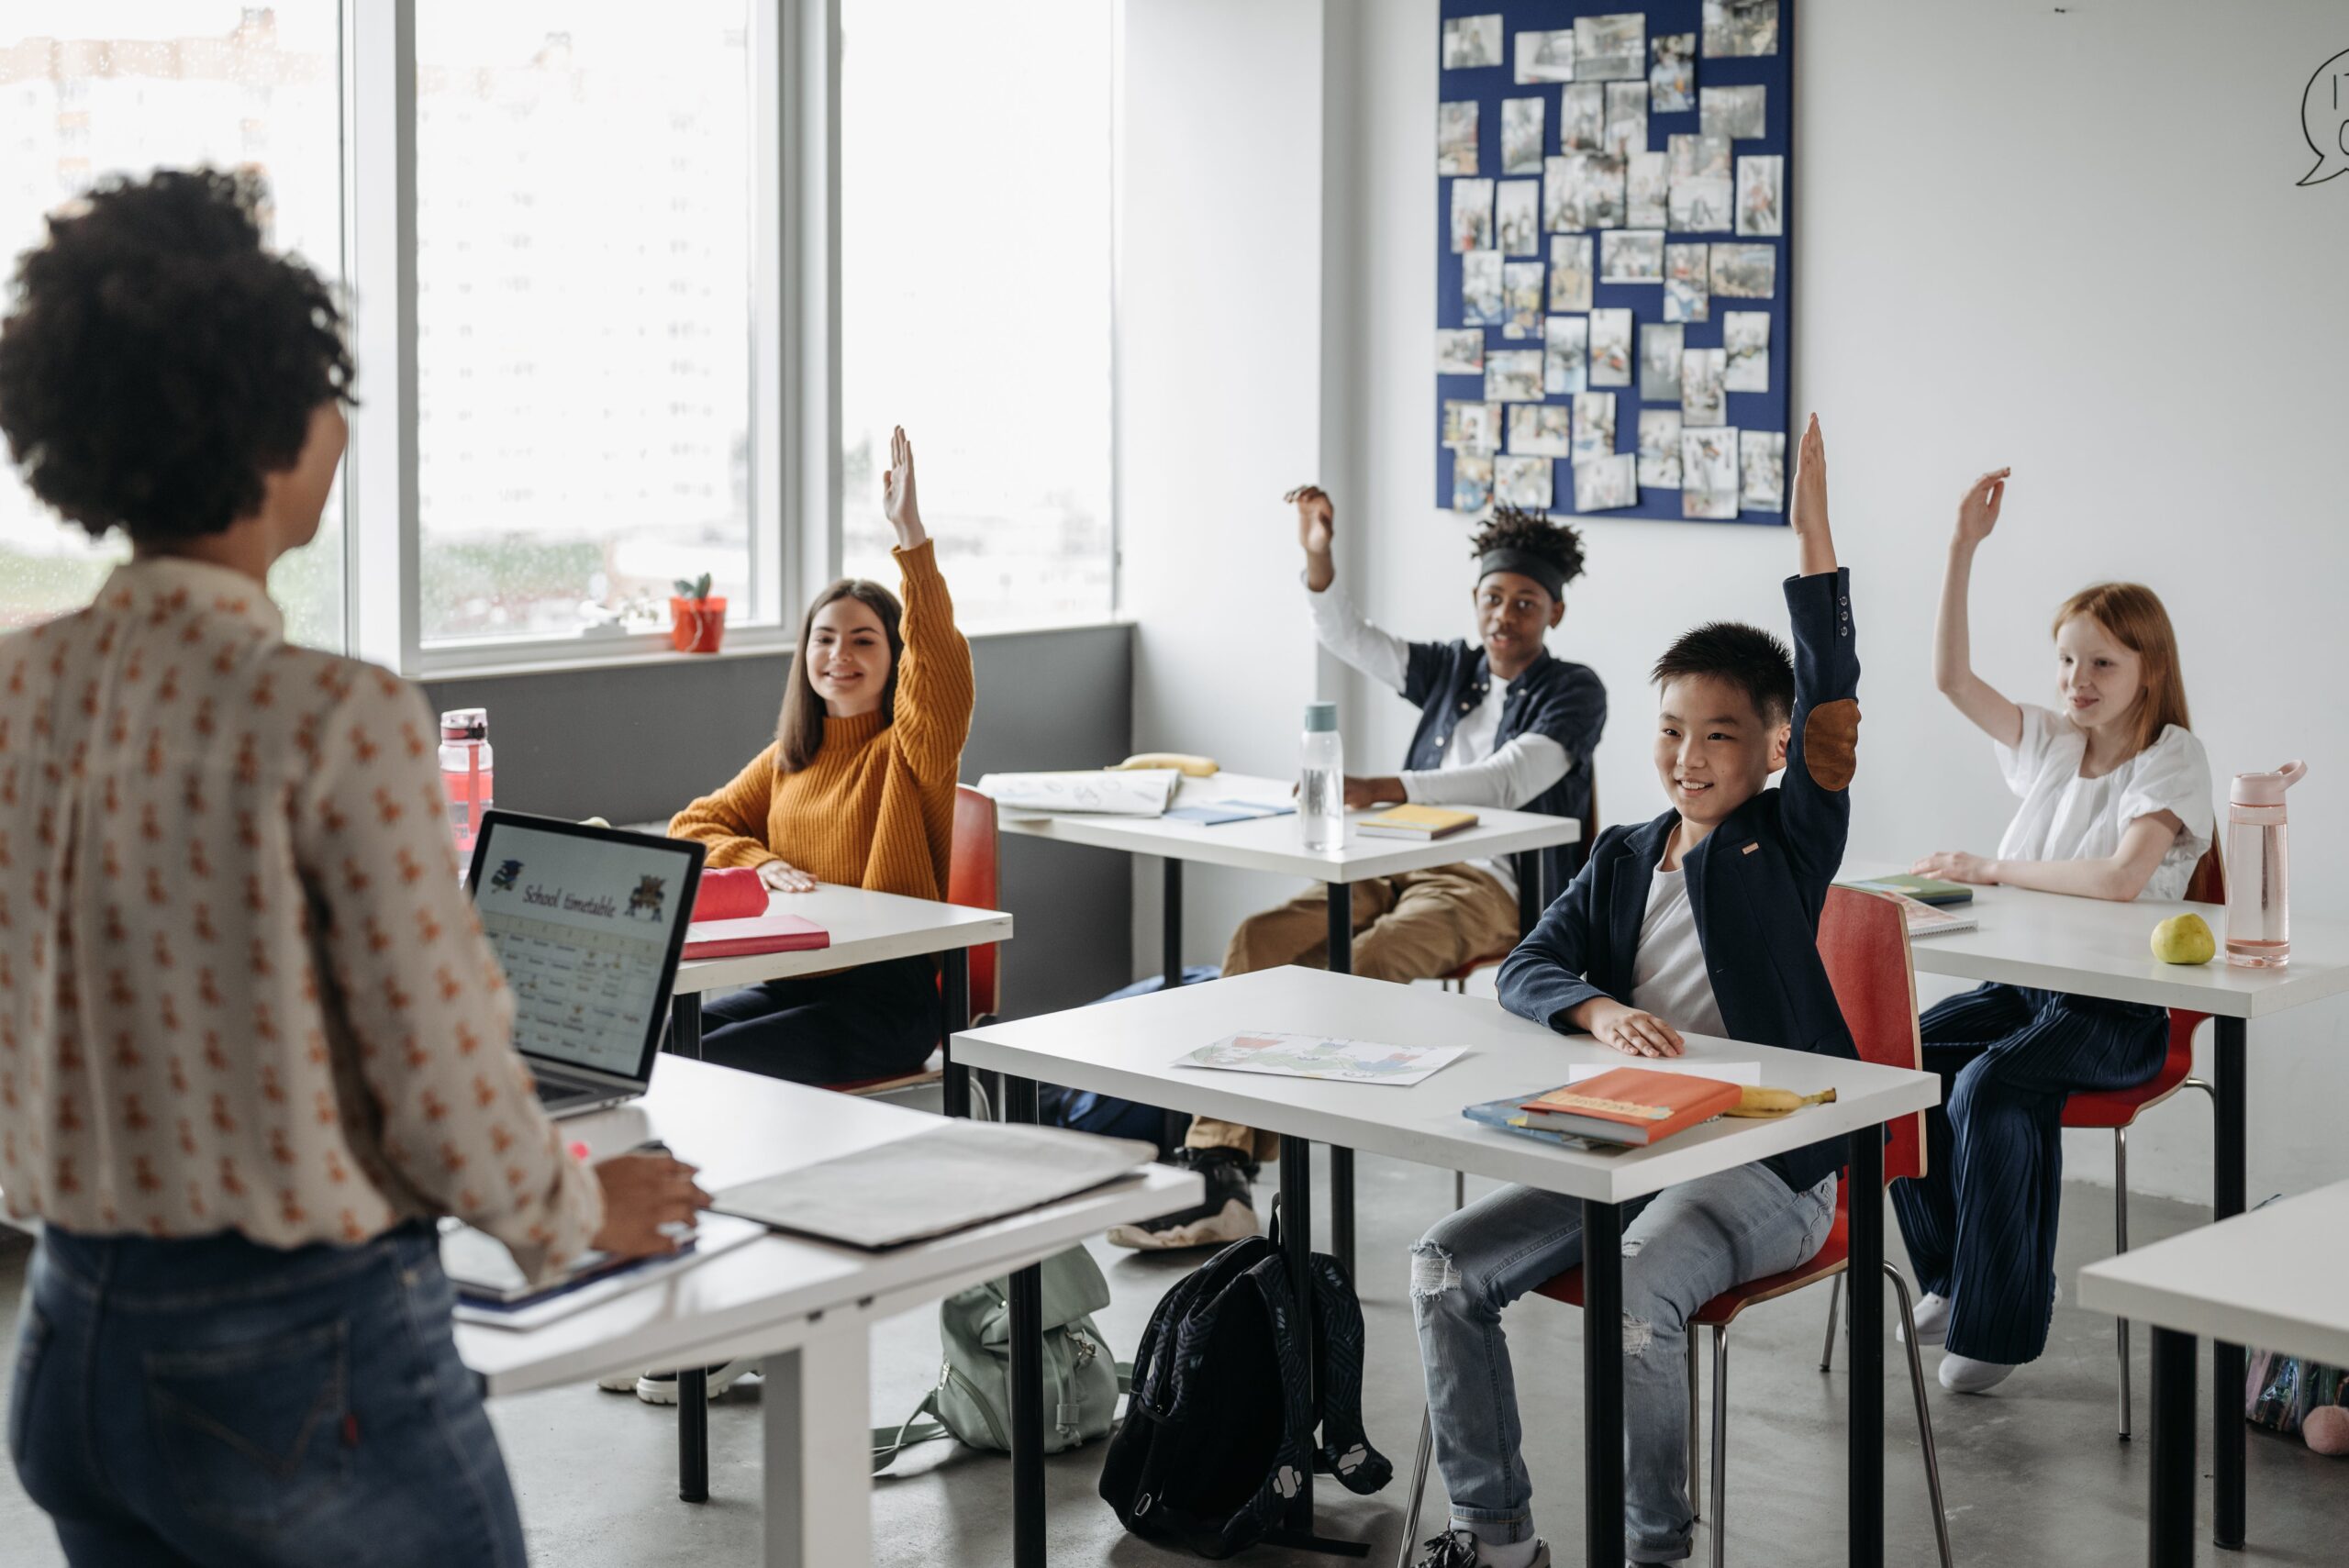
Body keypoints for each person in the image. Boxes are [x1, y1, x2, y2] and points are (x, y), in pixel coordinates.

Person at [0, 168, 704, 1568]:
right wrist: (574, 1213)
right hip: (296, 1361)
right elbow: (438, 1067)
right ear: (274, 433)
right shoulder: (335, 717)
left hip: (67, 1333)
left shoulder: (20, 691)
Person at [1406, 416, 1854, 1568]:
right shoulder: (1622, 853)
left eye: (1719, 734)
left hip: (1767, 1159)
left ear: (1768, 748)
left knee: (1634, 1301)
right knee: (1445, 1267)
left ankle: (1653, 1551)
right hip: (1624, 1140)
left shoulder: (1785, 840)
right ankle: (1495, 1538)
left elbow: (1831, 700)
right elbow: (1526, 966)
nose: (1688, 755)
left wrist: (1812, 534)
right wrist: (1597, 1011)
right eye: (1669, 731)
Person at [1109, 494, 1606, 1251]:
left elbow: (1510, 779)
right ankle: (1221, 1166)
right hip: (1391, 858)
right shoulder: (1453, 670)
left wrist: (1386, 786)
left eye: (1526, 604)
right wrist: (1317, 555)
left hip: (1489, 887)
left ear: (1555, 614)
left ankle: (1219, 1169)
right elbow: (1348, 635)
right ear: (1477, 602)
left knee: (1358, 963)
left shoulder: (1574, 690)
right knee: (1262, 938)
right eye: (1494, 598)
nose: (1506, 616)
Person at [1891, 467, 2213, 1395]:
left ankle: (1996, 1328)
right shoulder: (2049, 743)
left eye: (2102, 663)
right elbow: (1949, 676)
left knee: (1992, 1086)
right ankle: (1953, 1279)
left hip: (2116, 1010)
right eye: (2067, 660)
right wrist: (1961, 547)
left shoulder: (2172, 758)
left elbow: (2118, 878)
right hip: (2026, 987)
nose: (2077, 680)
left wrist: (1990, 869)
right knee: (1899, 1062)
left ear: (2148, 669)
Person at [667, 428, 974, 1088]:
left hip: (886, 1003)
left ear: (895, 659)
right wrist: (761, 860)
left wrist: (912, 539)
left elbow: (942, 670)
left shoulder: (913, 749)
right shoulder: (790, 758)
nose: (840, 655)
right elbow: (691, 825)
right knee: (653, 1043)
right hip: (794, 983)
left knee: (703, 1069)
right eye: (824, 638)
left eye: (864, 641)